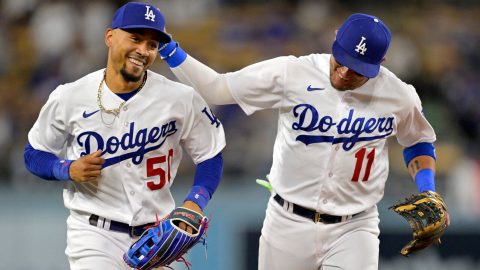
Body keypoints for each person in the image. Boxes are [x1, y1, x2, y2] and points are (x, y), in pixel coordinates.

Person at [158, 13, 449, 270]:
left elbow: (419, 141)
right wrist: (169, 49)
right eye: (342, 60)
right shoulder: (293, 73)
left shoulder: (399, 95)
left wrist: (429, 190)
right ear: (335, 39)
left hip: (355, 227)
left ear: (380, 63)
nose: (345, 72)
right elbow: (218, 89)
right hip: (287, 222)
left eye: (358, 69)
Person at [24, 2, 225, 269]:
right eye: (135, 38)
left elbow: (211, 153)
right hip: (94, 233)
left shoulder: (180, 98)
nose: (143, 50)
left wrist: (195, 201)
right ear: (110, 37)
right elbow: (33, 153)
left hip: (157, 236)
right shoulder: (70, 96)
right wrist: (67, 169)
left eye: (152, 44)